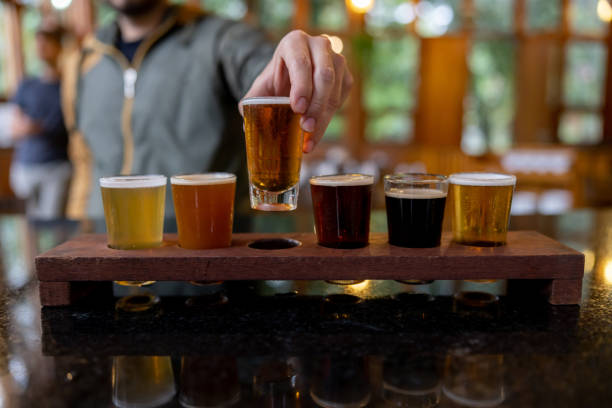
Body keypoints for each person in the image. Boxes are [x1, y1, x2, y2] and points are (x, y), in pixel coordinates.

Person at [63, 0, 352, 219]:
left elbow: (266, 72)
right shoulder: (83, 59)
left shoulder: (222, 38)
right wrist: (76, 234)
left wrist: (298, 60)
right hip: (105, 246)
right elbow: (82, 161)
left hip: (206, 248)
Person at [10, 22, 71, 219]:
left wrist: (34, 127)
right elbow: (15, 126)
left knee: (52, 224)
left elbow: (63, 125)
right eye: (38, 44)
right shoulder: (27, 84)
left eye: (46, 43)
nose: (41, 49)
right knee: (28, 225)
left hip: (56, 167)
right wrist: (32, 127)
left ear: (58, 47)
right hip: (25, 168)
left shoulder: (67, 86)